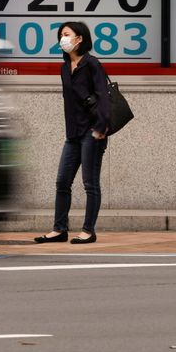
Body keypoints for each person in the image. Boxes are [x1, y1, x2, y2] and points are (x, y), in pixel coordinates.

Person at [34, 21, 109, 245]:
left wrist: (101, 127)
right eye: (60, 35)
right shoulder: (65, 67)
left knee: (90, 183)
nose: (62, 39)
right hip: (73, 133)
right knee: (62, 182)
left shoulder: (92, 64)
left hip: (93, 131)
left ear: (80, 39)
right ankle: (59, 229)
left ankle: (88, 230)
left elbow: (103, 96)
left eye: (66, 34)